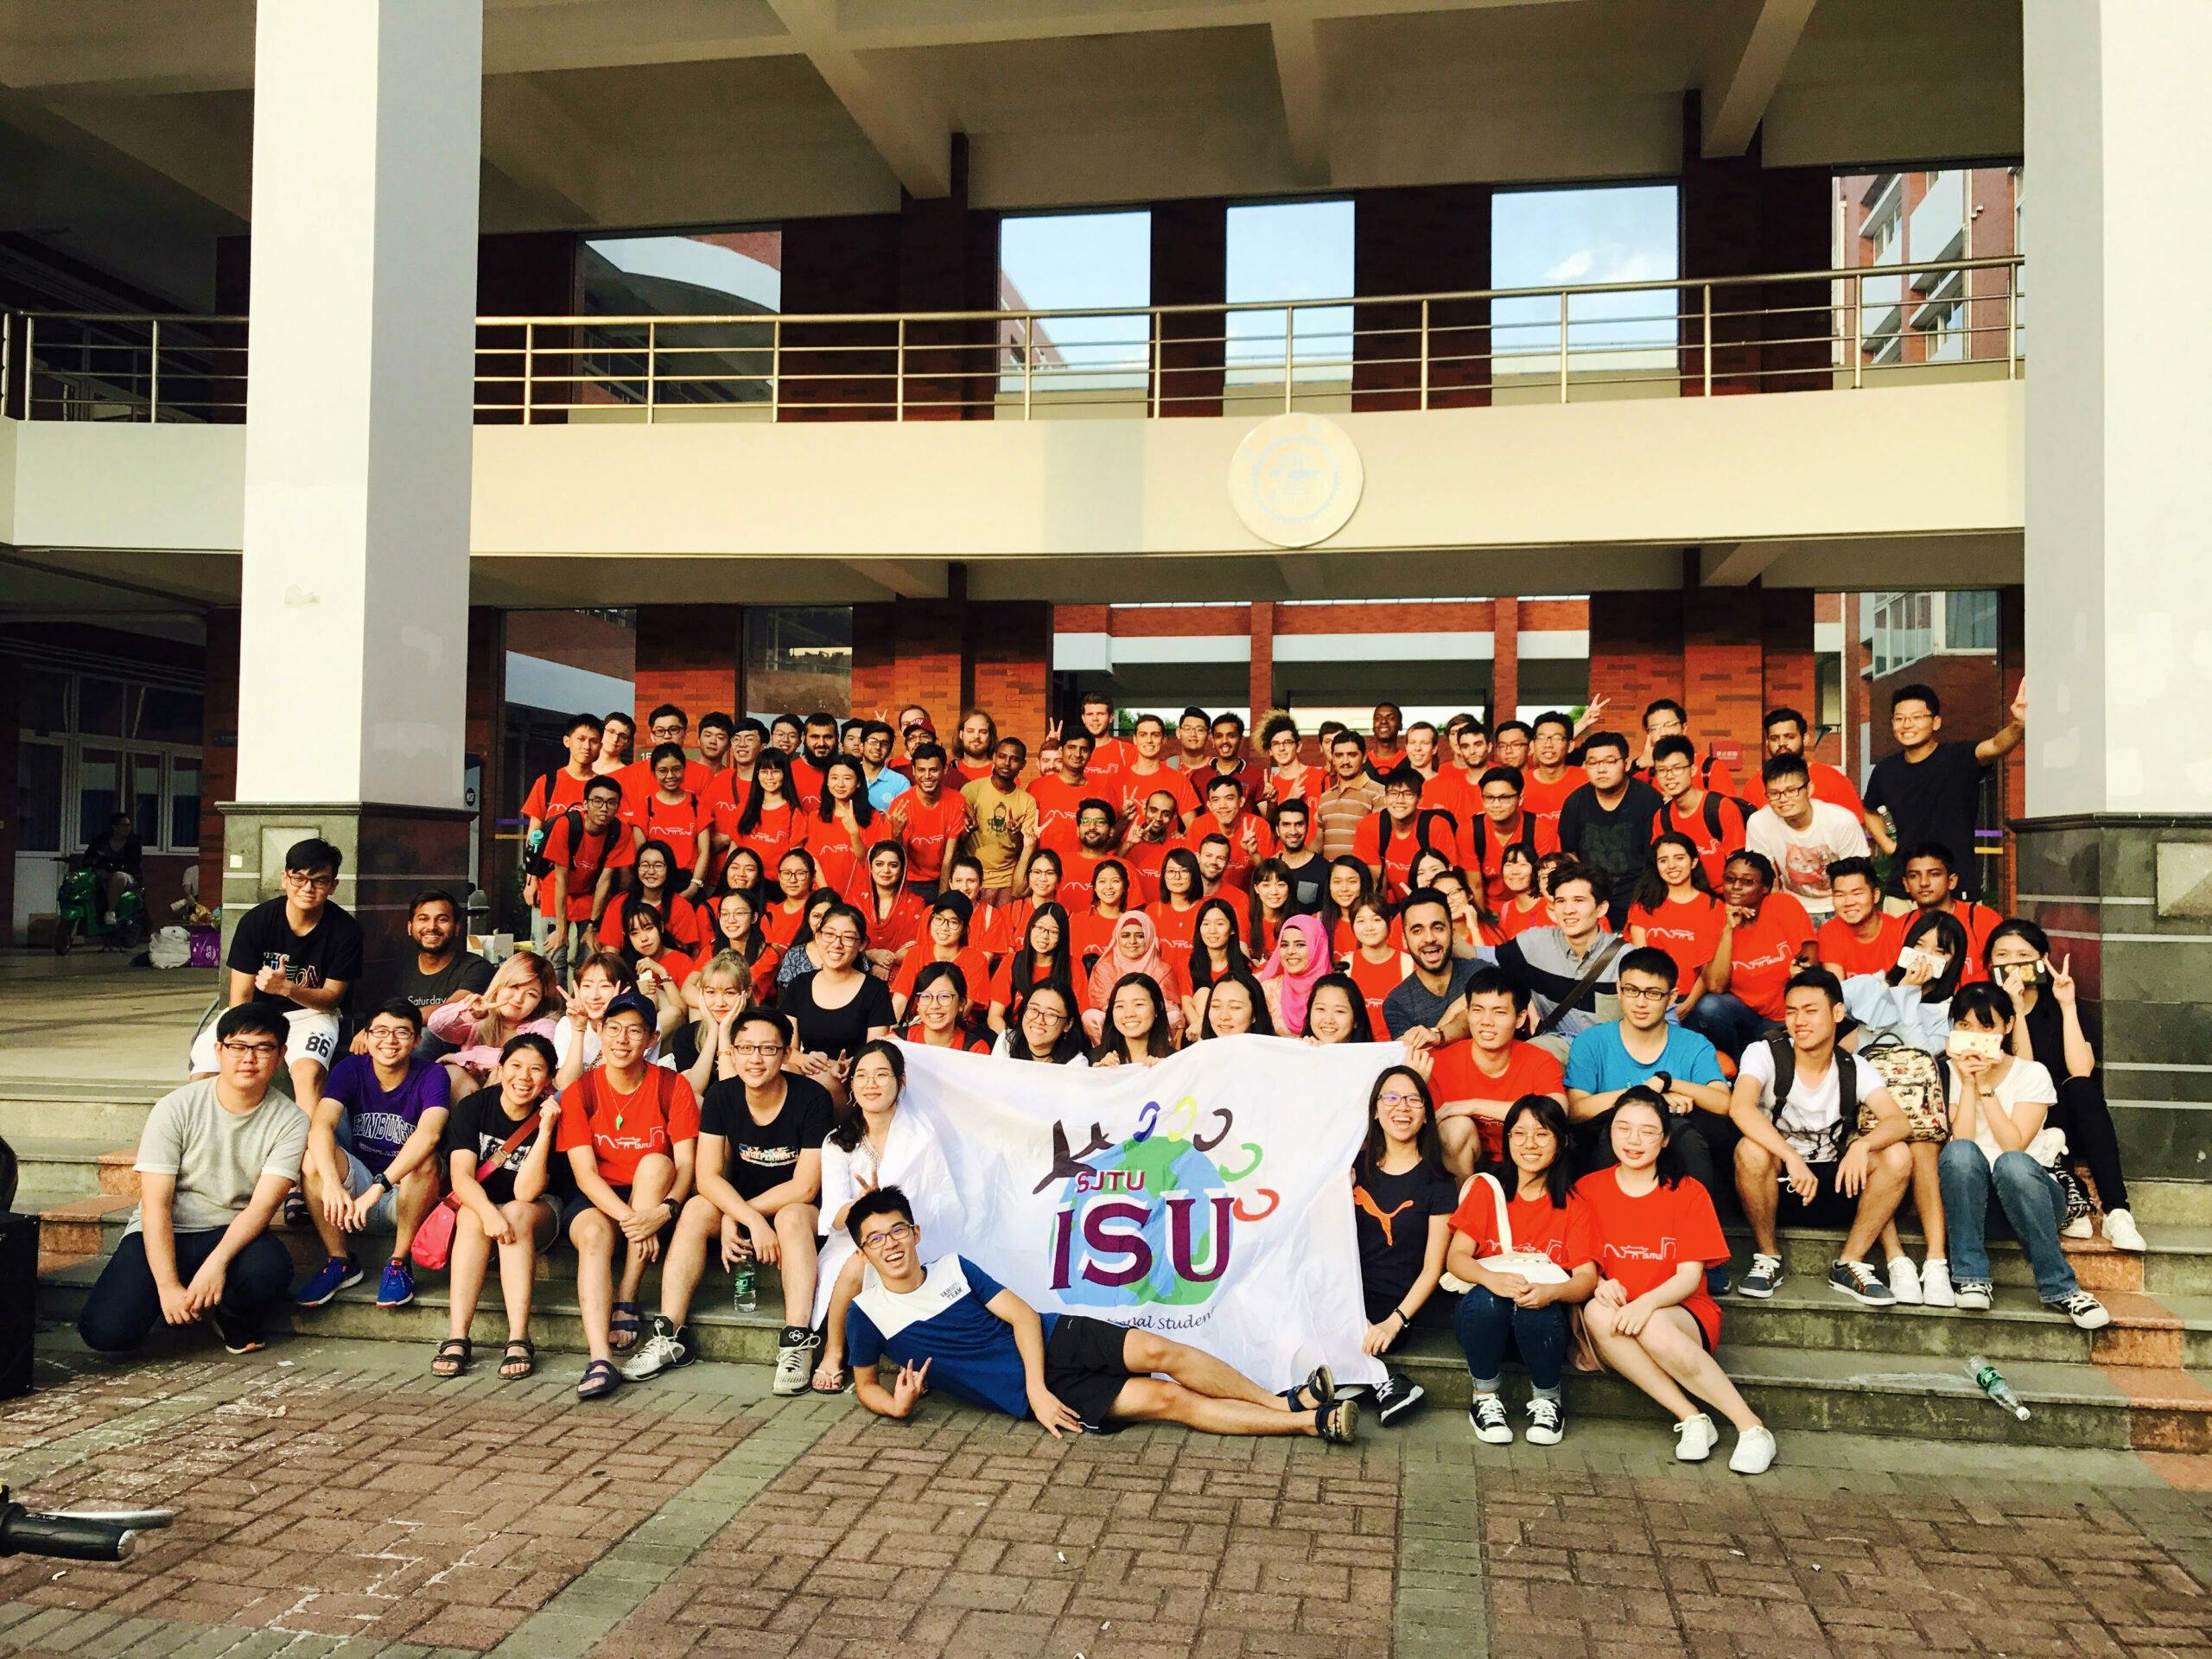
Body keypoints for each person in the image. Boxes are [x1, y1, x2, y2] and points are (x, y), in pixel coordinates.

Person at [841, 1186, 1356, 1440]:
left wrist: (1035, 1387)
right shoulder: (867, 1314)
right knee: (1169, 1399)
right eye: (875, 1239)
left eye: (898, 1230)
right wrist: (897, 1407)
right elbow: (865, 1384)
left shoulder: (954, 1268)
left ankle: (1279, 1401)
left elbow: (1023, 1318)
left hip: (1052, 1338)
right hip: (1041, 1392)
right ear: (863, 1252)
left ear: (915, 1233)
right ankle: (1308, 1423)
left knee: (1161, 1351)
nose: (891, 1245)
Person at [78, 1005, 308, 1357]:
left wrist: (216, 1265)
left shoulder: (291, 1120)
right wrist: (168, 1286)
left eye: (263, 1048)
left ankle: (228, 1314)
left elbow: (262, 1208)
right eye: (238, 1046)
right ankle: (170, 1299)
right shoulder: (176, 1107)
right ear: (219, 1050)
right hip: (168, 1229)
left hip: (230, 1231)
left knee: (270, 1269)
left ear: (281, 1055)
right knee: (106, 1332)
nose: (249, 1058)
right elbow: (156, 1204)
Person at [622, 1007, 834, 1391]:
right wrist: (745, 1218)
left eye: (768, 1049)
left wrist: (740, 1215)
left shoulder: (812, 1098)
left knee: (789, 1216)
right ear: (732, 1052)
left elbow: (804, 1187)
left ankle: (797, 1340)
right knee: (695, 1208)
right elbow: (706, 1177)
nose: (756, 1059)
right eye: (746, 1048)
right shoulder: (722, 1095)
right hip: (743, 1205)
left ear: (787, 1054)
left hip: (798, 1210)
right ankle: (670, 1334)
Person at [1577, 1090, 1775, 1475]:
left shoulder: (1687, 1192)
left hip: (1682, 1312)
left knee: (1652, 1324)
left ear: (1665, 1139)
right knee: (1596, 1313)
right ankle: (1691, 1417)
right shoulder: (1588, 1189)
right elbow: (1581, 1261)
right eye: (1623, 1129)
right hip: (1621, 1311)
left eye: (1647, 1131)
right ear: (1610, 1133)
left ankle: (1752, 1428)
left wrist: (1647, 1303)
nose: (1634, 1140)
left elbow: (1689, 1277)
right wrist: (1598, 1282)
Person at [1727, 969, 1913, 1307]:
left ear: (1837, 1013)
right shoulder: (1765, 1052)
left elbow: (1899, 1122)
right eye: (1792, 1011)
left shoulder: (1854, 1067)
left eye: (1810, 1011)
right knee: (1750, 1148)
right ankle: (1768, 1257)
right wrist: (1790, 1156)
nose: (1799, 1021)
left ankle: (1850, 1263)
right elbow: (1740, 1108)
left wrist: (1862, 1145)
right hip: (1777, 1185)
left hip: (1835, 1183)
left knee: (1898, 1154)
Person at [1937, 982, 2111, 1328]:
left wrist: (1986, 1087)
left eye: (1987, 1026)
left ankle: (2062, 1289)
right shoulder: (1955, 1071)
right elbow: (1963, 1141)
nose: (1975, 1036)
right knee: (1958, 1152)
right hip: (1979, 1205)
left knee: (2012, 1164)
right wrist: (1968, 1083)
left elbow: (2013, 1144)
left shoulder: (2032, 1073)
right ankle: (1971, 1278)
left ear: (2008, 1025)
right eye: (1965, 1025)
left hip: (2035, 1197)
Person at [557, 990, 699, 1400]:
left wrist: (665, 1211)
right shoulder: (582, 1091)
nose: (622, 1039)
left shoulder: (672, 1086)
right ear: (600, 1032)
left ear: (652, 1039)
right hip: (600, 1197)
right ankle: (600, 1359)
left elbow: (686, 1165)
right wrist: (636, 1221)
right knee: (592, 1235)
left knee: (655, 1163)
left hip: (657, 1193)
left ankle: (627, 1296)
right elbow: (585, 1176)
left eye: (634, 1031)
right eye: (614, 1028)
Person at [810, 1042, 965, 1389]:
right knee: (859, 1262)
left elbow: (938, 1199)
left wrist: (895, 1227)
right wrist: (863, 1206)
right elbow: (834, 1215)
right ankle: (834, 1351)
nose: (871, 1084)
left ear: (901, 1081)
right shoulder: (837, 1141)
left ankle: (914, 1361)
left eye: (882, 1075)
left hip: (912, 1236)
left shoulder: (922, 1136)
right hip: (853, 1241)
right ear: (851, 1084)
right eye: (862, 1076)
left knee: (904, 1258)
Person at [1447, 1094, 1598, 1446]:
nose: (1530, 1144)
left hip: (1543, 1332)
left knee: (1537, 1307)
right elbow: (1456, 1258)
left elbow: (1586, 1278)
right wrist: (1491, 1279)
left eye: (1542, 1134)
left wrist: (1552, 1292)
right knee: (1487, 1300)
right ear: (1507, 1140)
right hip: (1483, 1326)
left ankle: (1547, 1400)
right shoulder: (1488, 1191)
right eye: (1519, 1133)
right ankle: (1484, 1397)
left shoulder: (1574, 1205)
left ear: (1561, 1142)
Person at [1986, 918, 2144, 1251]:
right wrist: (2015, 1009)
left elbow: (2081, 1069)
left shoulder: (2057, 1001)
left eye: (2023, 955)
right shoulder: (1983, 1008)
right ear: (1990, 963)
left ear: (2042, 960)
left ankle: (2117, 1212)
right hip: (2015, 1120)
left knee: (2082, 1088)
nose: (2013, 963)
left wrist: (2067, 1005)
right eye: (2002, 955)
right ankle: (2071, 1196)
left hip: (2064, 1119)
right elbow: (2024, 1076)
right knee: (2042, 1091)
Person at [1837, 912, 1968, 1307]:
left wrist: (1909, 995)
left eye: (1939, 951)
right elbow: (1830, 1008)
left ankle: (1936, 1261)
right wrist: (1900, 990)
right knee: (1888, 1152)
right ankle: (1897, 1260)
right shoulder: (1869, 985)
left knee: (1922, 1149)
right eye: (1919, 945)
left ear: (1953, 961)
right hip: (1865, 1108)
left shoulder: (1949, 1010)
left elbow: (1921, 1051)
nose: (1926, 956)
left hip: (1919, 1109)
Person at [190, 837, 362, 1128]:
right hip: (254, 1014)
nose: (307, 888)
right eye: (299, 878)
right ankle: (203, 1138)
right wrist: (246, 1041)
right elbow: (240, 997)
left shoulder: (346, 930)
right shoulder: (257, 921)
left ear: (333, 886)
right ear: (285, 879)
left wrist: (287, 988)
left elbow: (332, 997)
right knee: (205, 1069)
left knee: (309, 1073)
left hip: (312, 1015)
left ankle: (305, 1149)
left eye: (319, 881)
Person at [294, 998, 451, 1312]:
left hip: (404, 1193)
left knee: (426, 1162)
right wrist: (332, 1184)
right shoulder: (350, 1069)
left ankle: (399, 1262)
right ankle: (340, 1261)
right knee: (313, 1158)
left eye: (401, 1032)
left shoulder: (433, 1074)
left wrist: (379, 1187)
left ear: (417, 1040)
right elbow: (322, 1125)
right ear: (366, 1037)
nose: (389, 1040)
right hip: (356, 1189)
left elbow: (429, 1134)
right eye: (380, 1031)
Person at [434, 1033, 563, 1381]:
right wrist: (489, 1212)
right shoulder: (475, 1107)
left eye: (536, 1069)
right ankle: (458, 1336)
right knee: (471, 1213)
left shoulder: (552, 1117)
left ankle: (518, 1337)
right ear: (501, 1068)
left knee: (515, 1212)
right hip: (484, 1209)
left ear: (549, 1078)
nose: (524, 1077)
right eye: (516, 1066)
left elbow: (526, 1191)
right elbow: (461, 1177)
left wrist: (546, 1129)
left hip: (537, 1210)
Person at [1350, 1065, 1455, 1425]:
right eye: (1391, 1098)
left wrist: (1394, 1322)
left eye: (1413, 1100)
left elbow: (1432, 1269)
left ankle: (1370, 1383)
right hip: (1345, 1297)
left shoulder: (1439, 1182)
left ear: (1426, 1115)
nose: (1402, 1108)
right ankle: (1385, 1384)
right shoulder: (1352, 1170)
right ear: (1375, 1111)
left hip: (1394, 1307)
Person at [1863, 679, 2027, 899]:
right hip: (1903, 889)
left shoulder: (1959, 758)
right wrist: (1889, 845)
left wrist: (2019, 724)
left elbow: (1996, 746)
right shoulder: (1885, 770)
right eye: (1899, 719)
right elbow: (1869, 810)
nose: (1907, 724)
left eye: (1917, 717)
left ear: (1936, 722)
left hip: (1956, 887)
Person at [1427, 969, 1568, 1176]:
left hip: (1525, 1160)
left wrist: (1473, 1105)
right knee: (1455, 1128)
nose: (1486, 1021)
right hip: (1469, 1161)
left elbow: (1557, 1111)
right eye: (1477, 1010)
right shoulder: (1440, 1062)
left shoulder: (1539, 1060)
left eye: (1499, 1012)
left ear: (1520, 1018)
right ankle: (1466, 1197)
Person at [1685, 851, 1814, 1058]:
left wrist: (1801, 970)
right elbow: (1716, 986)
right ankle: (1737, 1064)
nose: (1736, 886)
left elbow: (1809, 953)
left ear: (1765, 887)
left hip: (1787, 1015)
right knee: (1709, 1007)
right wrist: (1728, 930)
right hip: (1746, 1017)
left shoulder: (1782, 905)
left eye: (1747, 881)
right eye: (1730, 879)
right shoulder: (1711, 920)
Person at [1491, 864, 1625, 1051]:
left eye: (1578, 900)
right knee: (1530, 1052)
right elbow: (1481, 956)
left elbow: (1661, 1016)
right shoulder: (1536, 942)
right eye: (1561, 901)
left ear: (1601, 908)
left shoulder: (1626, 958)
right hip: (1557, 1048)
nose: (1568, 910)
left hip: (1610, 1054)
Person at [784, 902, 896, 1096]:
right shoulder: (799, 985)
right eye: (829, 934)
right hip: (807, 1073)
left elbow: (875, 1052)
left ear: (862, 944)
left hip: (852, 1081)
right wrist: (804, 1059)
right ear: (817, 937)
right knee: (782, 1068)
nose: (837, 944)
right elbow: (787, 1049)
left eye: (848, 938)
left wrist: (853, 1064)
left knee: (822, 1080)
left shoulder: (874, 989)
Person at [1745, 753, 1870, 925]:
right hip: (1793, 907)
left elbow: (1859, 875)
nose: (1783, 800)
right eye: (1774, 793)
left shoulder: (1841, 820)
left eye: (1791, 791)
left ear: (1809, 789)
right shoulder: (1759, 823)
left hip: (1839, 906)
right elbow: (1767, 879)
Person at [1555, 731, 1662, 929]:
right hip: (1593, 901)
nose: (1601, 769)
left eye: (1610, 762)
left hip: (1641, 900)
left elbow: (1657, 857)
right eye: (1593, 763)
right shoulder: (1575, 802)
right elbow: (1570, 853)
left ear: (1626, 764)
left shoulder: (1648, 800)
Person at [368, 889, 494, 1051]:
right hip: (401, 1044)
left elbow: (451, 1010)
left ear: (456, 928)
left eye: (442, 920)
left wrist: (389, 1024)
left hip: (456, 1052)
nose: (432, 927)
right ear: (410, 927)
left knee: (426, 1037)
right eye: (423, 919)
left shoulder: (476, 967)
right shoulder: (399, 969)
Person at [539, 779, 636, 983]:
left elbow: (605, 881)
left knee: (591, 955)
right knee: (555, 956)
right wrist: (561, 929)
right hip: (556, 889)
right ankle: (554, 1003)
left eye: (611, 802)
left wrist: (593, 926)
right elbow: (561, 880)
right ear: (585, 803)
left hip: (590, 892)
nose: (604, 808)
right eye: (597, 801)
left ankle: (585, 1000)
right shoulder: (566, 825)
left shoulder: (620, 831)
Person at [521, 714, 602, 932]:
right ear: (567, 741)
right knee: (549, 951)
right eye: (581, 739)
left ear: (600, 746)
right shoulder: (548, 782)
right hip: (549, 886)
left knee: (589, 953)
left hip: (589, 890)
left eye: (593, 741)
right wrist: (530, 880)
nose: (587, 746)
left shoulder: (603, 789)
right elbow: (534, 835)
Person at [1625, 833, 1721, 1013]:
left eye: (1679, 858)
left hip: (1694, 998)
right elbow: (1641, 962)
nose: (1671, 866)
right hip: (1654, 996)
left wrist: (1688, 1005)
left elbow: (1709, 968)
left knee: (1711, 1008)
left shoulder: (1713, 907)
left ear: (1693, 862)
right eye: (1663, 860)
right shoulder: (1643, 906)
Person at [1382, 888, 1483, 1049]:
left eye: (1438, 928)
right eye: (1417, 931)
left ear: (1452, 933)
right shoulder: (1396, 1002)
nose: (1429, 938)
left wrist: (1435, 1034)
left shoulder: (1481, 972)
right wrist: (1453, 1011)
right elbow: (1413, 1055)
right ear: (1404, 940)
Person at [1648, 734, 1750, 891]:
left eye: (1677, 768)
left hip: (1725, 897)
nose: (1669, 776)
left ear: (1693, 770)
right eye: (1662, 770)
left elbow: (1740, 865)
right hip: (1686, 896)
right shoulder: (1662, 818)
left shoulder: (1721, 808)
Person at [1900, 842, 2003, 983]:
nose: (1924, 882)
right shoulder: (1899, 927)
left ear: (1952, 881)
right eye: (1914, 876)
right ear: (1906, 884)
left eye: (1934, 874)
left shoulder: (1983, 920)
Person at [1082, 911, 1189, 1046]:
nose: (1132, 942)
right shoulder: (1104, 967)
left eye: (1140, 936)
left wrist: (1141, 1014)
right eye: (1125, 936)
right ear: (1117, 937)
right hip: (1116, 1023)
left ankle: (1157, 1054)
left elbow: (1168, 1007)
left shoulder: (1162, 969)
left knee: (1174, 1017)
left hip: (1151, 1023)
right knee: (1091, 1017)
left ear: (1149, 937)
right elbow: (1101, 1005)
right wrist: (1128, 1013)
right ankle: (1109, 1053)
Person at [1461, 766, 1555, 913]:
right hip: (1490, 909)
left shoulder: (1540, 830)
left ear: (1520, 799)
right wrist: (1484, 922)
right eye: (1489, 798)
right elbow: (1475, 886)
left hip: (1531, 906)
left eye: (1504, 798)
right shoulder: (1470, 831)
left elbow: (1546, 883)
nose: (1496, 805)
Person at [624, 744, 714, 897]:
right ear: (654, 773)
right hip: (653, 881)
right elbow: (641, 853)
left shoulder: (698, 804)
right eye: (663, 771)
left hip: (688, 881)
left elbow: (704, 851)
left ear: (684, 769)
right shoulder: (645, 806)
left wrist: (693, 887)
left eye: (676, 769)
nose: (670, 775)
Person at [961, 735, 1040, 905]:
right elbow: (956, 841)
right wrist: (968, 830)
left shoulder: (1027, 801)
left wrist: (1016, 834)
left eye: (1014, 759)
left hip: (1007, 881)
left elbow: (1024, 850)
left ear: (1023, 764)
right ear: (994, 757)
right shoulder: (971, 790)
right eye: (1002, 757)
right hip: (973, 878)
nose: (1007, 763)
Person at [889, 891, 991, 1022]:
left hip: (956, 1025)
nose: (944, 927)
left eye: (953, 922)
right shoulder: (915, 954)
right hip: (916, 1023)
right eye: (938, 919)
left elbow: (964, 1009)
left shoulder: (976, 960)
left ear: (964, 929)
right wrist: (891, 1031)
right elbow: (899, 1001)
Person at [884, 741, 965, 899]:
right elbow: (897, 857)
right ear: (914, 771)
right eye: (921, 770)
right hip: (909, 880)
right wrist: (896, 833)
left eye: (933, 770)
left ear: (945, 770)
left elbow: (948, 858)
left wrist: (942, 901)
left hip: (943, 876)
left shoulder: (957, 801)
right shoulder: (901, 805)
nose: (927, 776)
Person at [1761, 706, 1871, 823]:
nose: (1782, 743)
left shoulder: (1834, 779)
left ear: (1805, 739)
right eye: (1774, 738)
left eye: (1790, 737)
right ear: (1767, 743)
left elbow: (1853, 825)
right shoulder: (1754, 784)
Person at [987, 902, 1081, 1033]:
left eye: (1053, 932)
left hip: (1055, 1037)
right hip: (1014, 1033)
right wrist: (1013, 1041)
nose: (1044, 936)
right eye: (1039, 928)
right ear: (1030, 928)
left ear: (1062, 937)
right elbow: (994, 1017)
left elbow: (1079, 1017)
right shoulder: (1013, 961)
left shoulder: (1074, 966)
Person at [600, 840, 708, 953]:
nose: (651, 872)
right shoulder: (619, 903)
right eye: (644, 865)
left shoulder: (682, 907)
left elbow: (684, 955)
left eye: (658, 866)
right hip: (625, 963)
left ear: (669, 869)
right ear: (637, 869)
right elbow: (611, 952)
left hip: (668, 964)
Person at [1816, 857, 1906, 979]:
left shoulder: (1899, 932)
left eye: (1857, 893)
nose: (1849, 902)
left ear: (1875, 895)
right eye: (1840, 895)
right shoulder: (1830, 932)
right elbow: (1837, 986)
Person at [1630, 700, 1738, 800]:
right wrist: (1637, 764)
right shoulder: (1647, 772)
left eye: (1669, 725)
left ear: (1684, 728)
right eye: (1654, 728)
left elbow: (1727, 810)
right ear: (1648, 734)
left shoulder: (1710, 769)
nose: (1663, 733)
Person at [721, 748, 801, 876]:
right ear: (757, 774)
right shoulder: (745, 807)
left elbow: (795, 858)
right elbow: (734, 848)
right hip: (746, 879)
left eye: (775, 771)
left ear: (785, 774)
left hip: (776, 882)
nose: (769, 777)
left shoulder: (794, 813)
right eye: (764, 771)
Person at [1182, 896, 1252, 1033]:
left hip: (1234, 1030)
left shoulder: (1245, 965)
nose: (1212, 931)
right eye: (1206, 924)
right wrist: (1203, 1028)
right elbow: (1186, 1004)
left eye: (1220, 924)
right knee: (1203, 993)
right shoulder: (1187, 962)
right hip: (1201, 1034)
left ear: (1232, 929)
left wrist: (1201, 1023)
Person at [1255, 913, 1330, 1037]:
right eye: (1284, 945)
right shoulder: (1268, 990)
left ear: (1317, 946)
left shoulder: (1337, 990)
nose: (1290, 952)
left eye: (1300, 944)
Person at [1316, 731, 1387, 861]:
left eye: (1352, 755)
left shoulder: (1379, 793)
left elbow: (1382, 842)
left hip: (1362, 871)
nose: (1345, 761)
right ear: (1333, 759)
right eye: (1339, 755)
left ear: (1364, 757)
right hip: (1329, 872)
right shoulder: (1325, 798)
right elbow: (1318, 845)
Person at [1517, 712, 1588, 836]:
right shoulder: (1519, 784)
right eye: (1541, 737)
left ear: (1570, 746)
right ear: (1532, 745)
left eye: (1557, 738)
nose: (1548, 744)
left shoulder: (1587, 780)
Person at [991, 981, 1090, 1065]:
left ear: (1068, 1024)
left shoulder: (1076, 1064)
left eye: (1051, 1014)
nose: (1039, 1020)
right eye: (1034, 1009)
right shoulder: (1007, 1040)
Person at [904, 961, 994, 1052]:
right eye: (926, 996)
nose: (935, 1005)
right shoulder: (900, 1040)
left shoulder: (975, 1050)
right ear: (917, 1003)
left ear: (961, 1003)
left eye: (944, 996)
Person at [1090, 973, 1176, 1067]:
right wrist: (1099, 1074)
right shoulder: (1094, 1059)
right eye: (1120, 1006)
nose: (1129, 1014)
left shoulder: (1173, 1060)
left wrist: (1166, 1071)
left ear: (1158, 1008)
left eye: (1139, 1004)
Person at [79, 810, 143, 924]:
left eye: (129, 825)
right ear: (114, 827)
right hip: (102, 872)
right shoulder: (100, 841)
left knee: (118, 877)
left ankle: (110, 912)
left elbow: (134, 864)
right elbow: (88, 857)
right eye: (124, 825)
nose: (127, 828)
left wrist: (116, 866)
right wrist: (94, 863)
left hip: (127, 875)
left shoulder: (134, 843)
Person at [1270, 798, 1328, 914]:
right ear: (1277, 830)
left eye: (1299, 824)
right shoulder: (1271, 868)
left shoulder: (1324, 869)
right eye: (1286, 825)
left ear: (1307, 827)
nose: (1293, 831)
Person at [1261, 713, 1319, 819]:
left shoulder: (1320, 776)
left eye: (1287, 742)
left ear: (1298, 746)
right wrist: (1273, 803)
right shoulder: (1271, 786)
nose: (1281, 748)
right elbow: (1271, 826)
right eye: (1275, 744)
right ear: (1270, 750)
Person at [1299, 973, 1370, 1045]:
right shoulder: (1298, 1049)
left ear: (1356, 1020)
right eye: (1321, 1009)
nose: (1328, 1020)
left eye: (1339, 1011)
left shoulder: (1371, 1052)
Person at [594, 709, 636, 779]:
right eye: (611, 732)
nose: (615, 739)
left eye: (622, 736)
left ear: (628, 743)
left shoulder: (629, 776)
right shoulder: (582, 768)